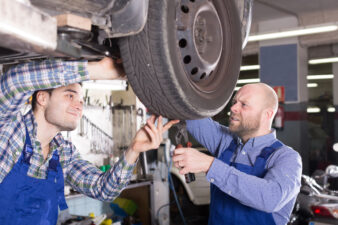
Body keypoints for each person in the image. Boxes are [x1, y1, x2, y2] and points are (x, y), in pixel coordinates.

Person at [0, 57, 178, 224]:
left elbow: (104, 189)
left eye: (81, 100)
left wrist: (134, 150)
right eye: (70, 95)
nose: (79, 105)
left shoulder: (63, 152)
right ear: (42, 98)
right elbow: (13, 82)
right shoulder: (9, 129)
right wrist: (97, 70)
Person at [173, 83, 302, 225]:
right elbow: (190, 115)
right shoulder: (225, 142)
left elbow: (270, 198)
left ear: (267, 114)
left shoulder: (286, 157)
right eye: (234, 102)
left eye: (244, 104)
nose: (233, 108)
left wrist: (210, 165)